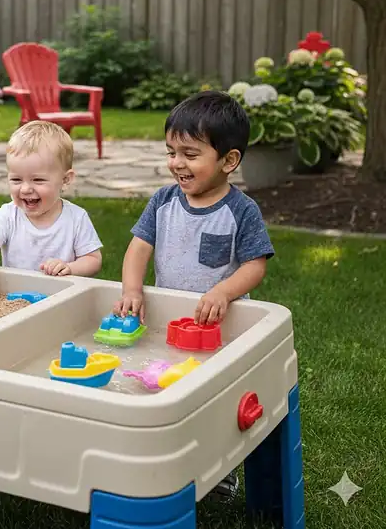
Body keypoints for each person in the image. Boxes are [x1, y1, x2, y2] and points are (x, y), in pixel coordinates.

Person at [115, 90, 275, 499]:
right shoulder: (164, 201)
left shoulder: (241, 211)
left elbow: (256, 263)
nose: (176, 164)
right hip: (170, 318)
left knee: (214, 398)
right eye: (171, 152)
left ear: (229, 161)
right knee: (168, 387)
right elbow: (139, 247)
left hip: (215, 326)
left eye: (189, 154)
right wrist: (132, 288)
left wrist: (224, 290)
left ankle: (220, 467)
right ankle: (166, 456)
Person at [0, 121, 102, 298]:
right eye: (16, 180)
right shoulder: (8, 215)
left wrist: (70, 267)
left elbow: (93, 260)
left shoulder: (76, 218)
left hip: (61, 299)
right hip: (15, 298)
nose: (26, 189)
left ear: (65, 180)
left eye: (38, 180)